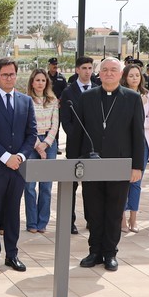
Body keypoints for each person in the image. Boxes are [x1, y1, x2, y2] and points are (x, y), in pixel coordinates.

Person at [68, 58, 145, 271]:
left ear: (120, 74)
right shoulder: (87, 97)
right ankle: (94, 251)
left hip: (119, 165)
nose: (109, 73)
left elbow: (138, 134)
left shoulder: (132, 98)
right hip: (91, 164)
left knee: (114, 211)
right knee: (93, 211)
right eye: (105, 70)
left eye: (113, 70)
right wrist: (72, 163)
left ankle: (110, 253)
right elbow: (77, 134)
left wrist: (137, 166)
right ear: (98, 74)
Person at [0, 58, 37, 272]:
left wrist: (19, 156)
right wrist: (5, 157)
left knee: (13, 213)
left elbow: (32, 134)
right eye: (4, 75)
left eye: (12, 74)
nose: (9, 78)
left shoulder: (25, 101)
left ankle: (12, 255)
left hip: (18, 168)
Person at [59, 56, 99, 234]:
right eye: (84, 68)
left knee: (91, 186)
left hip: (93, 147)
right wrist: (75, 135)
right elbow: (65, 120)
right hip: (75, 145)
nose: (87, 71)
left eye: (90, 68)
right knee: (72, 185)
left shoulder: (98, 89)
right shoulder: (69, 92)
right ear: (77, 70)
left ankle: (92, 220)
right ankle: (70, 222)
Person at [121, 63, 149, 233]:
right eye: (131, 75)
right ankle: (121, 219)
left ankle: (133, 218)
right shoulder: (121, 94)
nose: (134, 78)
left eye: (137, 75)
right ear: (125, 78)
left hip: (142, 142)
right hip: (123, 143)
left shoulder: (147, 95)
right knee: (121, 182)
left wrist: (136, 125)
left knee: (136, 182)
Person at [24, 69, 59, 234]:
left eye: (43, 80)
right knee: (30, 186)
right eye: (37, 80)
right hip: (31, 143)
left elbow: (55, 124)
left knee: (46, 186)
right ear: (32, 82)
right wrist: (38, 145)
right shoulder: (26, 101)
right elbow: (28, 125)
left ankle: (42, 222)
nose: (40, 83)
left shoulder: (53, 100)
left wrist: (46, 144)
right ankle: (31, 222)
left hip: (49, 143)